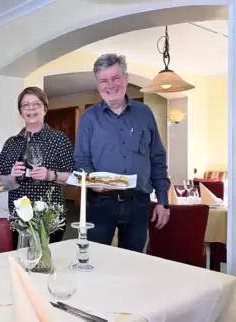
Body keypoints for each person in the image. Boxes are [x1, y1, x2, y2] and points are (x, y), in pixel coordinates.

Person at [59, 53, 170, 253]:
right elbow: (81, 160)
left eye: (115, 78)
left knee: (132, 262)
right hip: (101, 204)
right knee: (95, 260)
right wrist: (93, 180)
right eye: (103, 80)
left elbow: (157, 157)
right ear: (98, 84)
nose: (110, 85)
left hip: (139, 203)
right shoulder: (88, 118)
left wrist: (163, 200)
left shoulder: (144, 113)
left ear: (126, 78)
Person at [0, 86, 74, 249]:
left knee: (47, 264)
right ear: (20, 112)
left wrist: (50, 175)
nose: (31, 109)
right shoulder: (11, 143)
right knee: (22, 263)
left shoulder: (59, 139)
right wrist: (11, 177)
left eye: (36, 104)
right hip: (19, 219)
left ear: (45, 108)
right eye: (26, 105)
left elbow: (72, 177)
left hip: (50, 218)